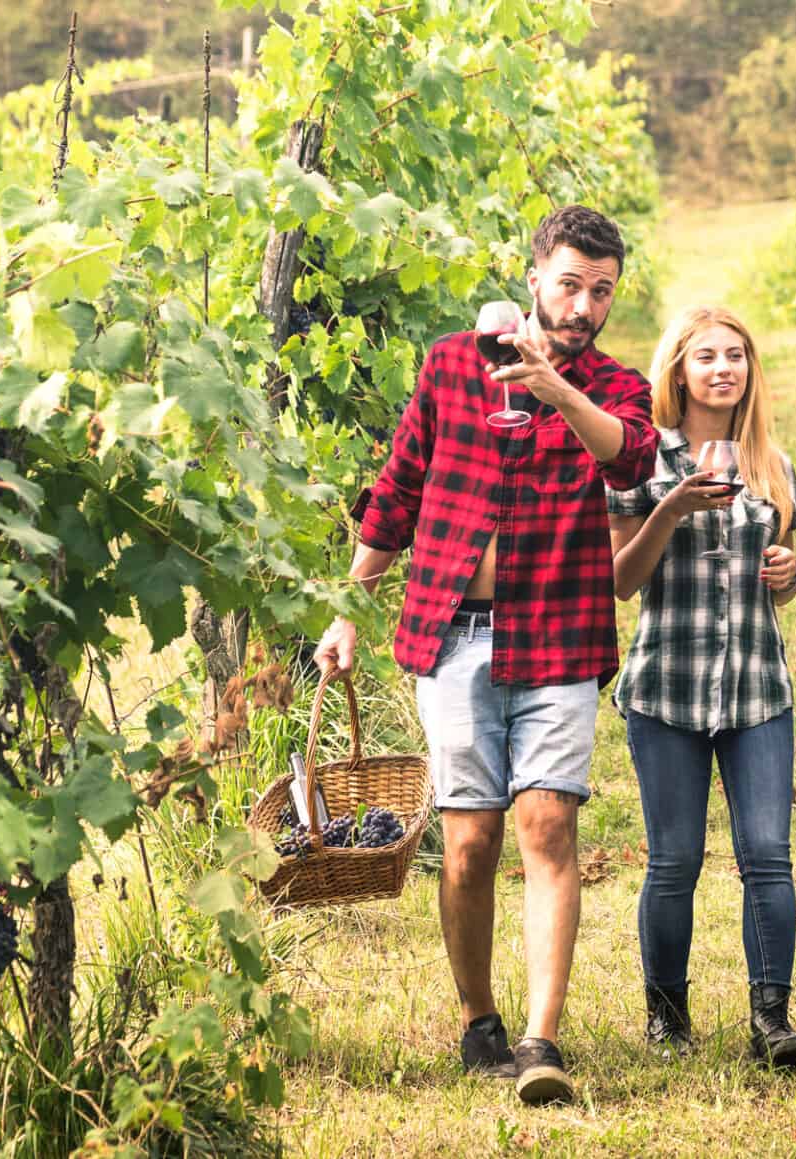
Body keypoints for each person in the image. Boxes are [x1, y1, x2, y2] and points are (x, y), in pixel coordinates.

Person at [313, 205, 659, 1105]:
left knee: (549, 823)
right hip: (453, 633)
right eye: (572, 283)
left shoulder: (615, 386)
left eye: (603, 291)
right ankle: (480, 1021)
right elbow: (397, 491)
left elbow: (628, 463)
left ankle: (542, 1039)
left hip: (560, 632)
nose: (586, 305)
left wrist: (557, 389)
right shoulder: (452, 364)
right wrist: (349, 609)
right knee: (470, 840)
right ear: (535, 273)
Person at [606, 306, 796, 1071]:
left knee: (767, 853)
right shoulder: (644, 464)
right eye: (708, 357)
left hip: (757, 687)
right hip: (667, 686)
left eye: (736, 356)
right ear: (680, 370)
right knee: (675, 859)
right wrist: (673, 506)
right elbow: (622, 583)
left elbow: (779, 578)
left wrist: (788, 575)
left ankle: (772, 1016)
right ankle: (668, 1016)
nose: (724, 368)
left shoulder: (771, 464)